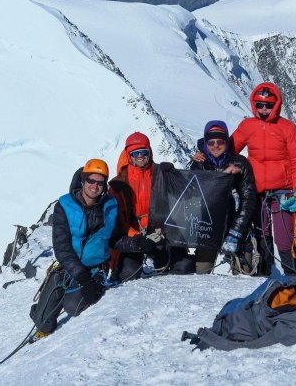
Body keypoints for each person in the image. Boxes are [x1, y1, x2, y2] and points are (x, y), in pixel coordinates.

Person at [30, 159, 120, 339]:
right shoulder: (64, 205)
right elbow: (61, 246)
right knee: (42, 320)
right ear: (83, 180)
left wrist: (138, 243)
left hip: (96, 267)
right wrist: (81, 276)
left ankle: (86, 289)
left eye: (100, 183)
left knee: (73, 306)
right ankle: (42, 310)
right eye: (91, 181)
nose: (95, 186)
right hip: (69, 266)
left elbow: (115, 238)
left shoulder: (111, 206)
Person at [232, 82, 296, 275]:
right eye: (259, 105)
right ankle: (265, 275)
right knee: (262, 236)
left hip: (283, 191)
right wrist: (203, 154)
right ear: (254, 104)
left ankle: (291, 276)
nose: (264, 109)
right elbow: (229, 151)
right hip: (256, 192)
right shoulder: (247, 126)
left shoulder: (288, 128)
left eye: (268, 105)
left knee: (285, 238)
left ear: (276, 104)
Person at [109, 131, 195, 280]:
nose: (140, 156)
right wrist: (136, 238)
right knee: (128, 273)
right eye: (135, 153)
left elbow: (186, 195)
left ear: (150, 152)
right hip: (133, 235)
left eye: (143, 151)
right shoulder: (119, 183)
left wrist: (175, 176)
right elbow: (118, 219)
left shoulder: (161, 173)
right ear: (129, 156)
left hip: (159, 232)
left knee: (183, 266)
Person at [189, 120, 258, 274]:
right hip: (207, 227)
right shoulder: (199, 164)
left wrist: (237, 231)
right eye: (211, 142)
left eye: (220, 141)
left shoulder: (240, 163)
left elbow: (249, 199)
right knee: (201, 275)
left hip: (236, 227)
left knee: (244, 275)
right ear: (205, 143)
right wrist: (223, 176)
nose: (215, 146)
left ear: (226, 141)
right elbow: (194, 196)